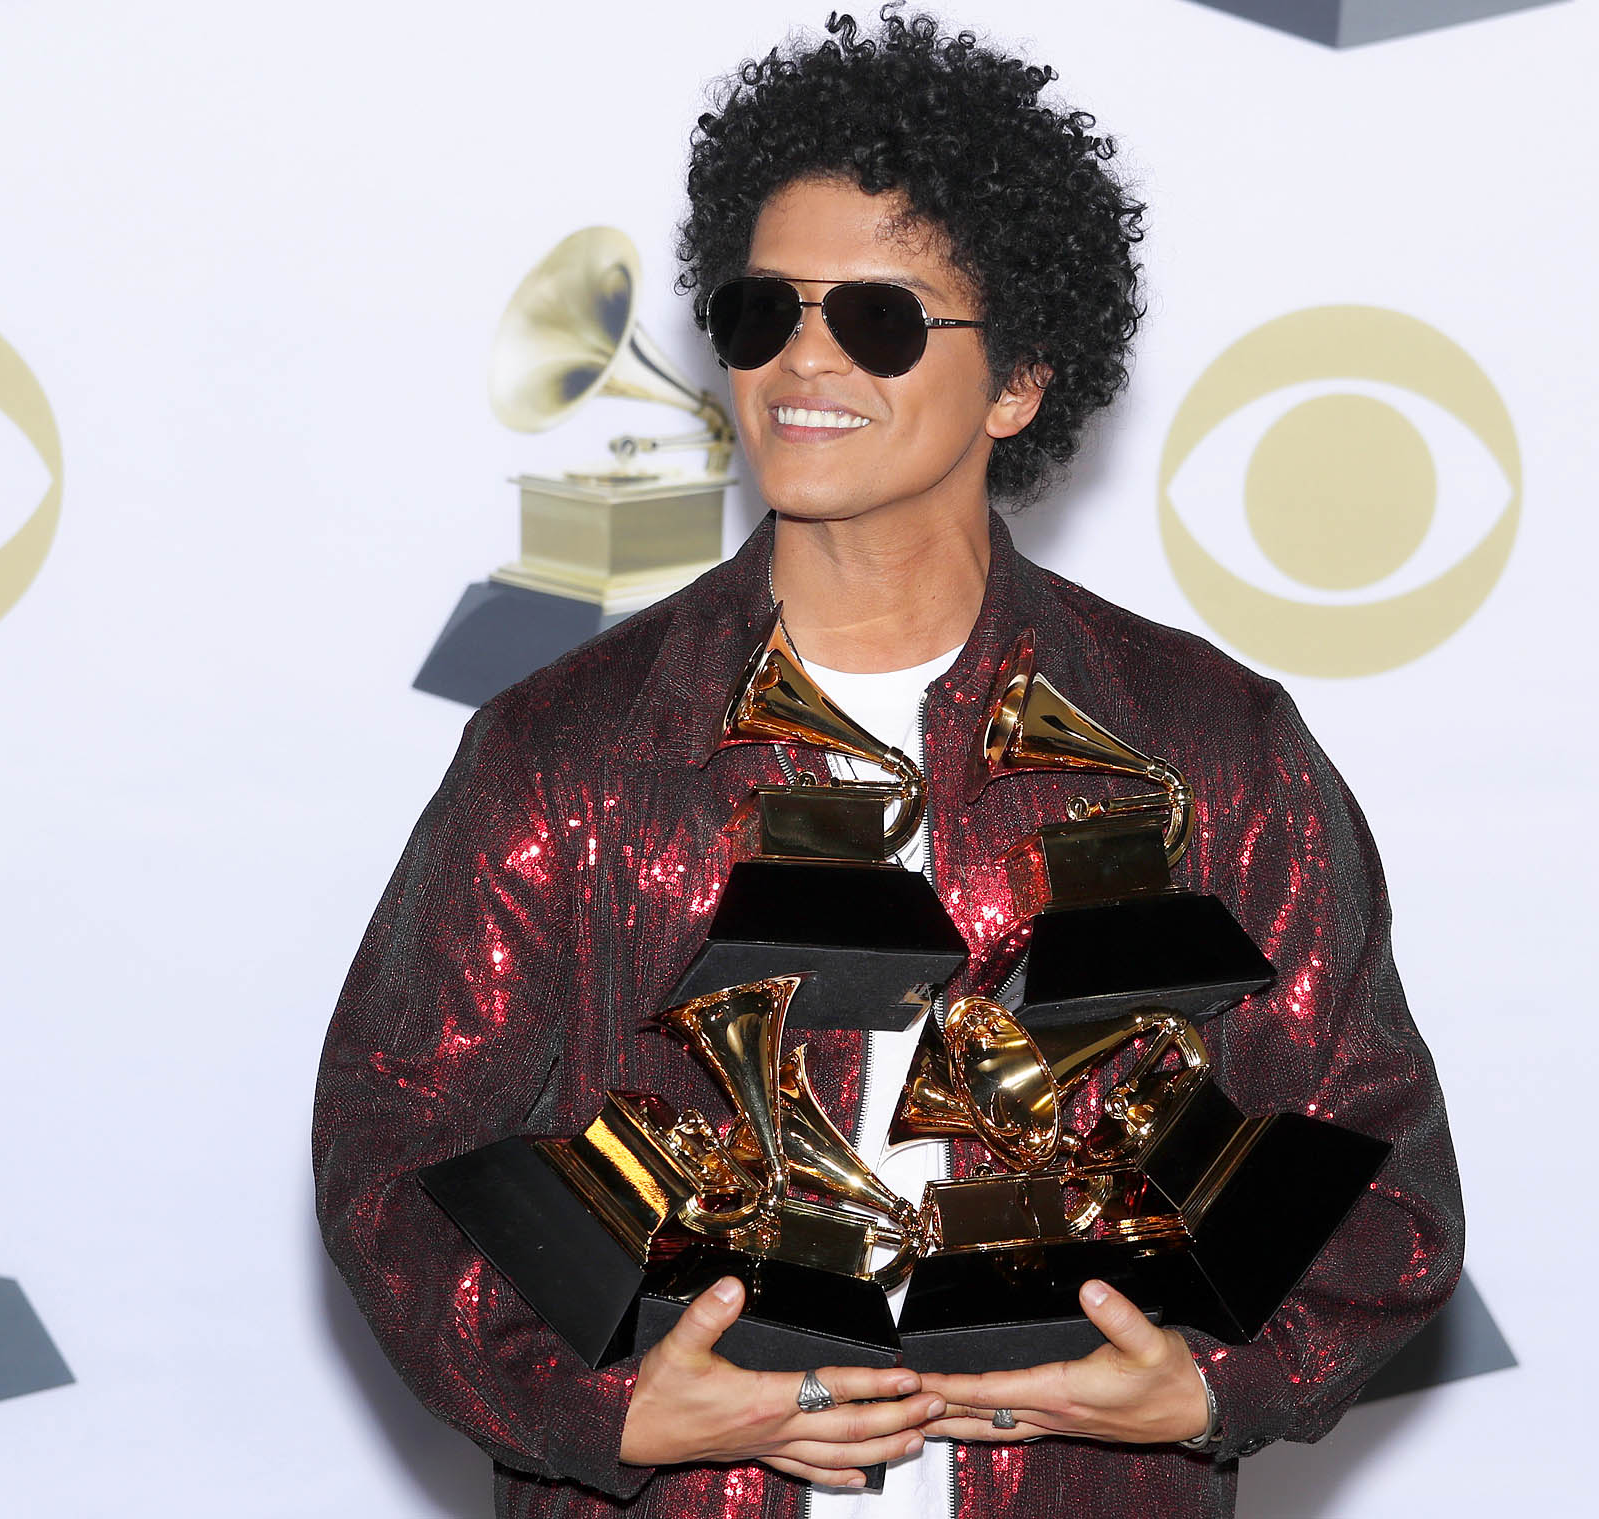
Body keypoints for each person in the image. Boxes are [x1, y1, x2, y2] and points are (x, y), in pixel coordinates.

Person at [312, 9, 1463, 1517]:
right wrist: (603, 1404)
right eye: (760, 310)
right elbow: (392, 1151)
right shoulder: (569, 754)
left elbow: (1379, 1173)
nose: (802, 359)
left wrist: (1222, 1383)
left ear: (1021, 381)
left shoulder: (1211, 744)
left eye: (879, 318)